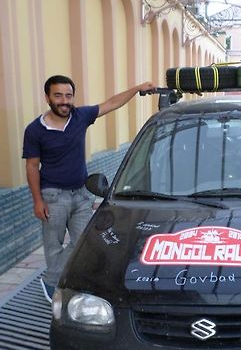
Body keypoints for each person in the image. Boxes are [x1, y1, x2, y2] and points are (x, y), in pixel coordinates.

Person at [23, 75, 155, 303]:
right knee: (53, 244)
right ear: (47, 98)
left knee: (84, 242)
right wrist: (37, 201)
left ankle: (56, 275)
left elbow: (112, 103)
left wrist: (137, 88)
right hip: (52, 196)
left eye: (68, 95)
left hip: (81, 195)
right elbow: (32, 166)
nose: (64, 101)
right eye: (58, 95)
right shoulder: (35, 130)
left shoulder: (80, 116)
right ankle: (53, 282)